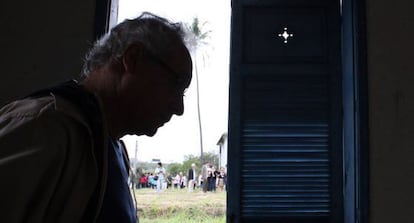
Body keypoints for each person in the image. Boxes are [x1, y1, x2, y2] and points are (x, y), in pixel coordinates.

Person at [0, 12, 192, 223]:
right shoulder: (44, 127)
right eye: (175, 84)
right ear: (133, 58)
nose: (179, 108)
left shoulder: (109, 145)